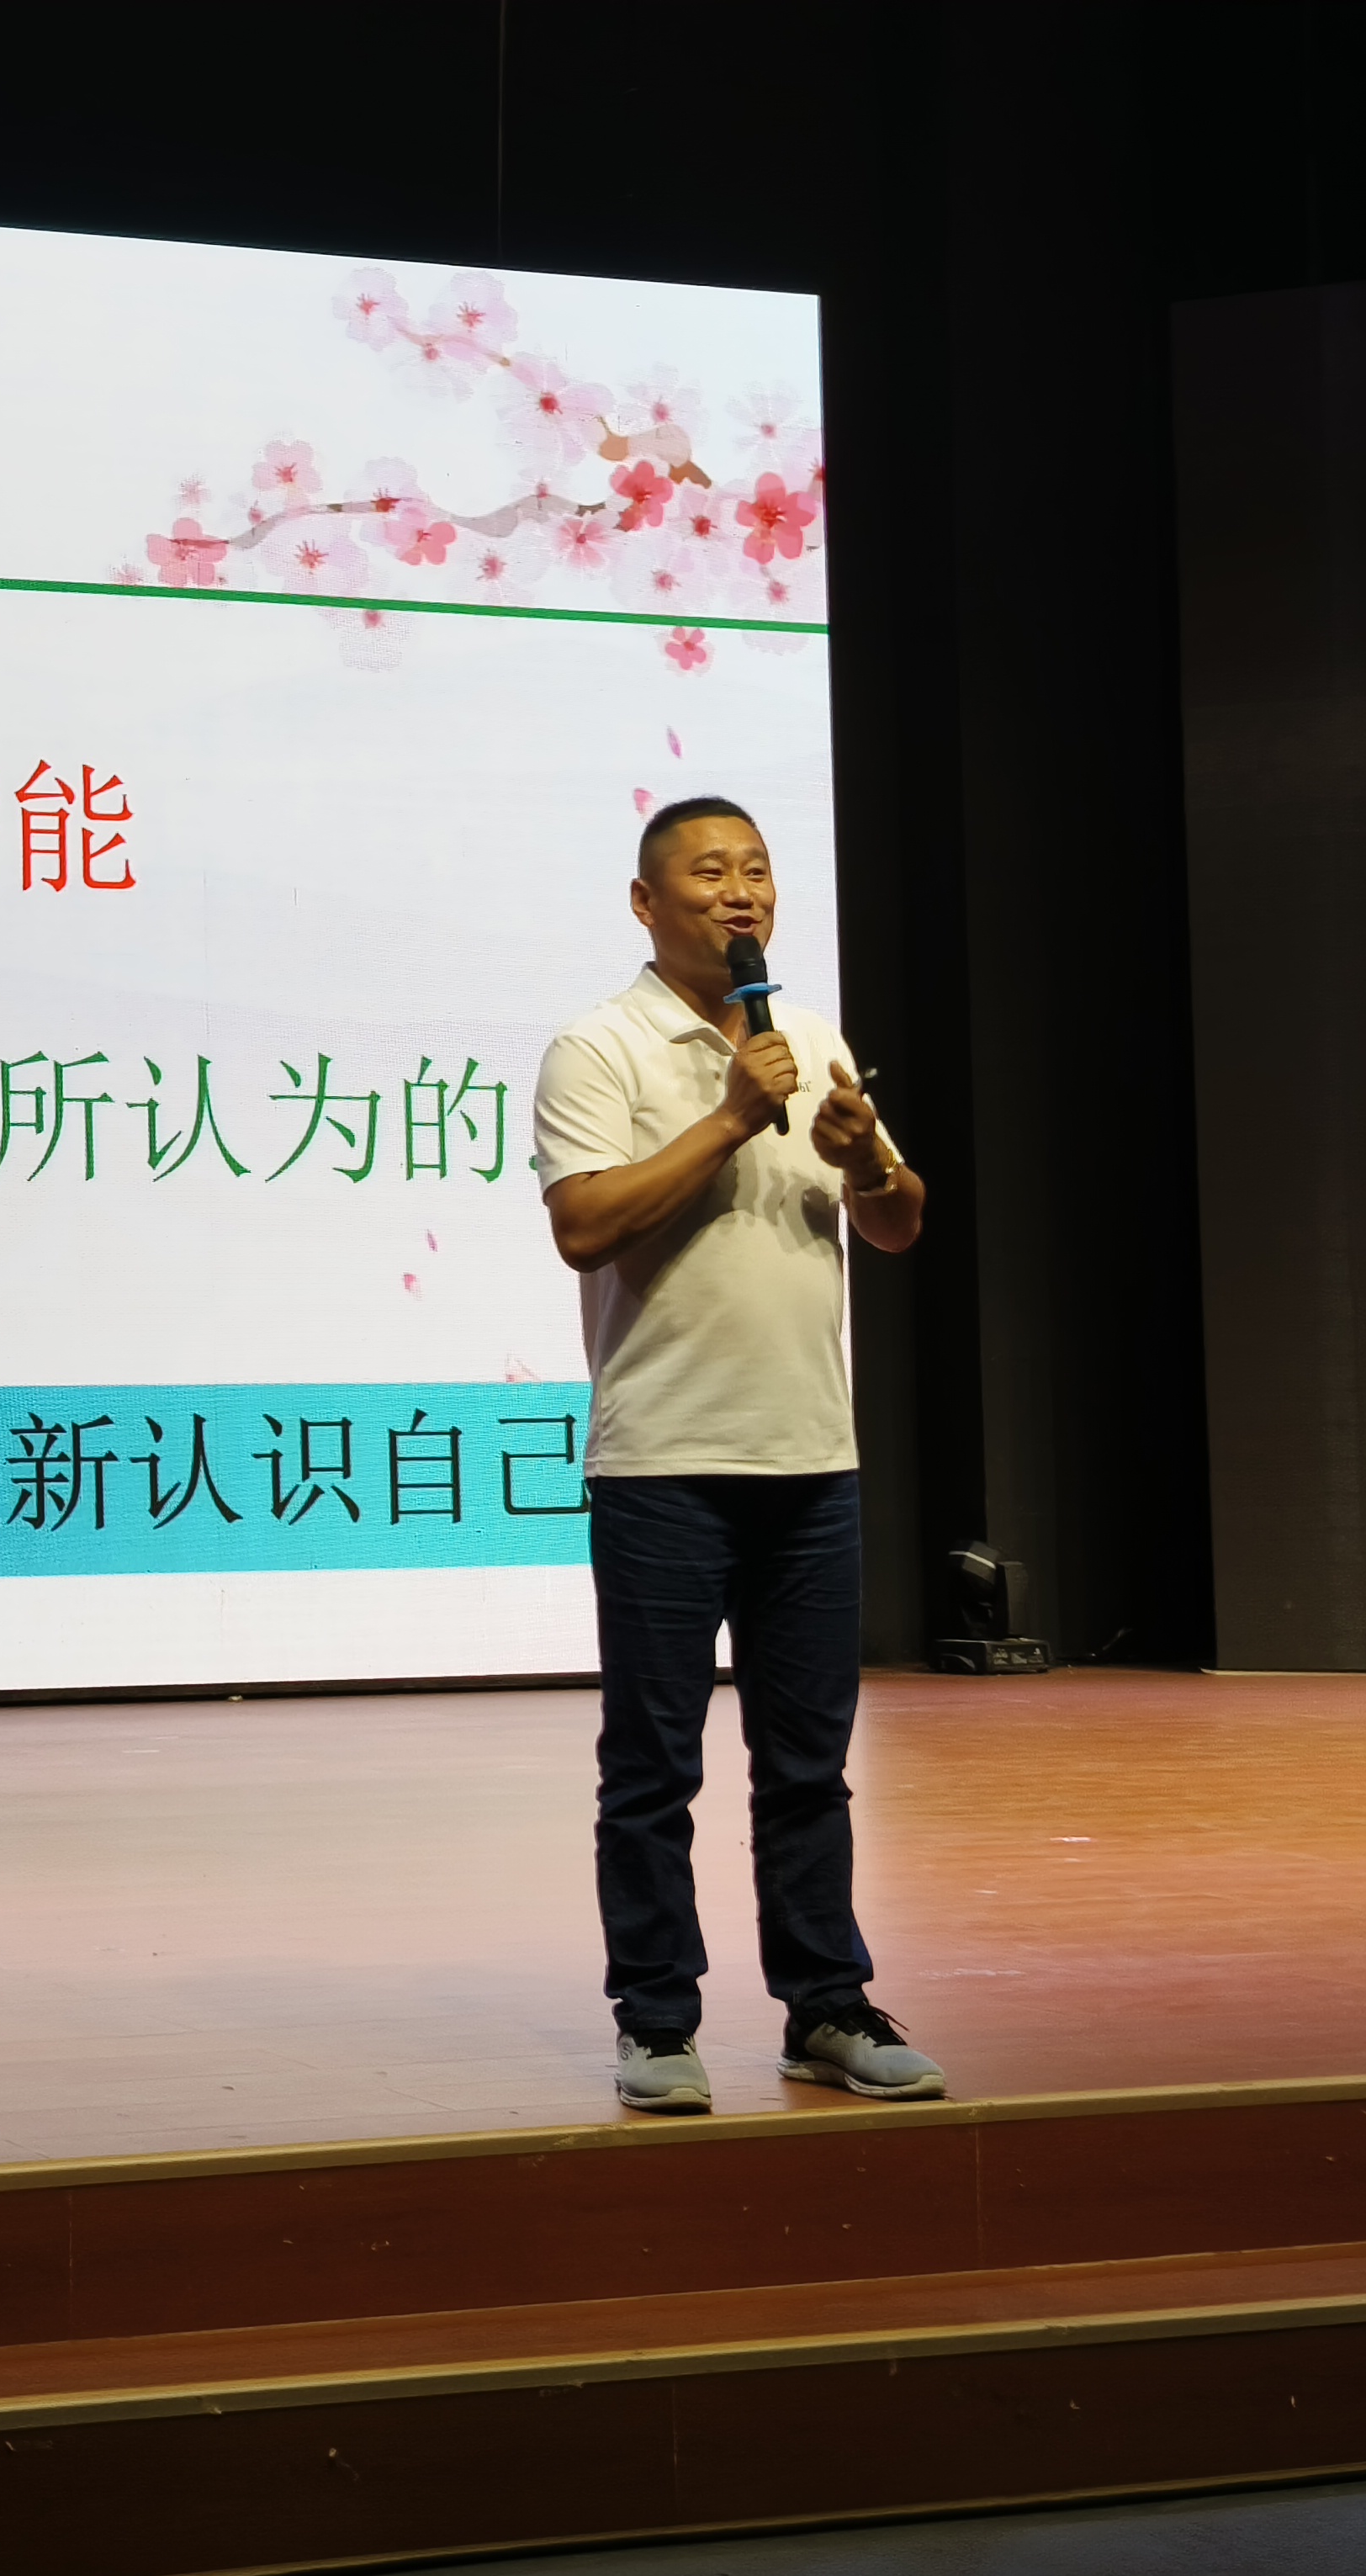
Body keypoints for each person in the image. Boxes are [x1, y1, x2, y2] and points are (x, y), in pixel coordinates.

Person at [529, 796, 947, 2115]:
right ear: (647, 902)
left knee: (808, 1766)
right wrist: (726, 1119)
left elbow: (900, 1223)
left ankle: (827, 2005)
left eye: (758, 871)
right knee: (653, 1769)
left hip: (812, 1461)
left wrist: (864, 1162)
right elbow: (583, 1228)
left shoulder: (810, 1036)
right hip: (664, 1464)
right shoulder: (598, 1047)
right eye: (710, 873)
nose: (741, 892)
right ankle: (657, 2021)